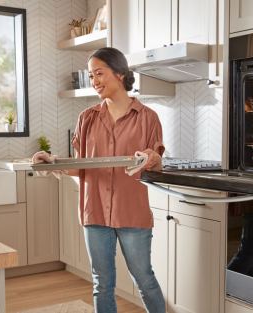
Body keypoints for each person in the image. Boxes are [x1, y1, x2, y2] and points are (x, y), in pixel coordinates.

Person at [68, 47, 166, 313]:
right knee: (102, 283)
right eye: (91, 76)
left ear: (120, 73)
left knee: (144, 279)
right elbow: (80, 167)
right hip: (95, 210)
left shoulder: (147, 118)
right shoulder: (86, 118)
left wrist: (151, 158)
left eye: (99, 73)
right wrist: (54, 164)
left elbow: (155, 162)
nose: (95, 81)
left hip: (131, 211)